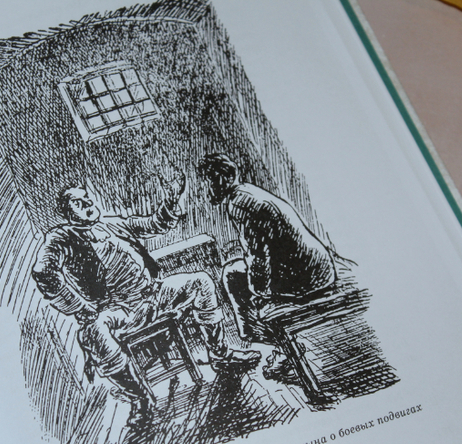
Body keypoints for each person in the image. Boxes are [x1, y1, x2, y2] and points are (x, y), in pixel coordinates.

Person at [32, 177, 260, 427]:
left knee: (201, 281)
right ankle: (140, 399)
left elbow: (154, 224)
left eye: (87, 198)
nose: (88, 203)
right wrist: (79, 307)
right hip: (120, 310)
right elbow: (43, 273)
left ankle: (220, 355)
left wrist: (171, 200)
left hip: (154, 294)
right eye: (78, 202)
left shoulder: (112, 224)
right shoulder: (62, 238)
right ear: (67, 213)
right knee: (93, 332)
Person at [197, 153, 337, 340]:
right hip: (320, 269)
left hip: (306, 279)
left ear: (221, 180)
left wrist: (261, 294)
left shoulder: (239, 204)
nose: (204, 189)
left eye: (206, 182)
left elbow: (259, 255)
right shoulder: (248, 191)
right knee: (239, 269)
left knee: (231, 273)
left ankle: (261, 338)